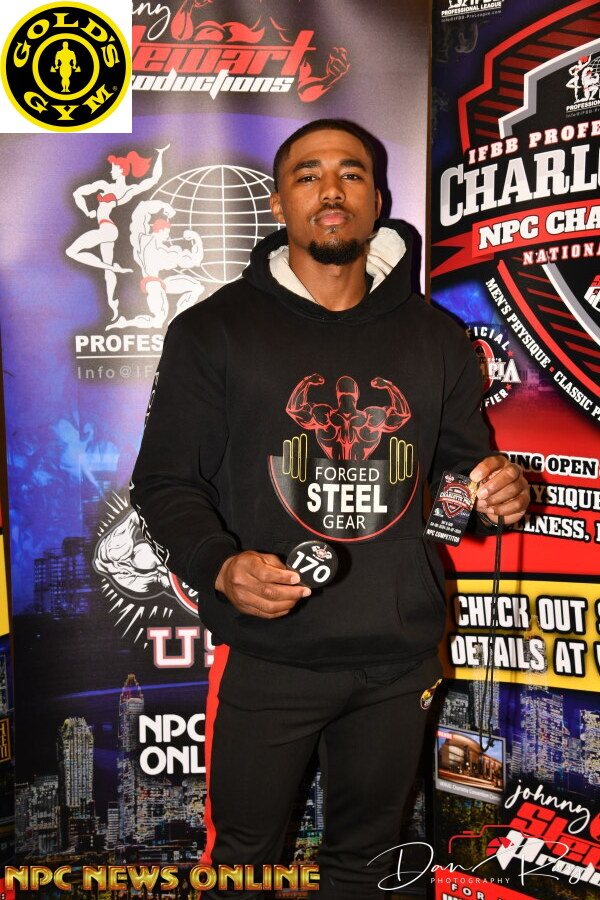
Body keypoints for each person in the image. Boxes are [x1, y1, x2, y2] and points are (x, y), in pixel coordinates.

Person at [130, 119, 530, 898]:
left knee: (374, 860)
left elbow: (454, 486)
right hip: (271, 654)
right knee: (243, 860)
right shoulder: (214, 330)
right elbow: (166, 482)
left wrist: (493, 495)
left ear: (377, 200)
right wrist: (222, 566)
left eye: (351, 173)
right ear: (280, 203)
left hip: (398, 656)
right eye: (308, 174)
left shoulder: (437, 337)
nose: (331, 189)